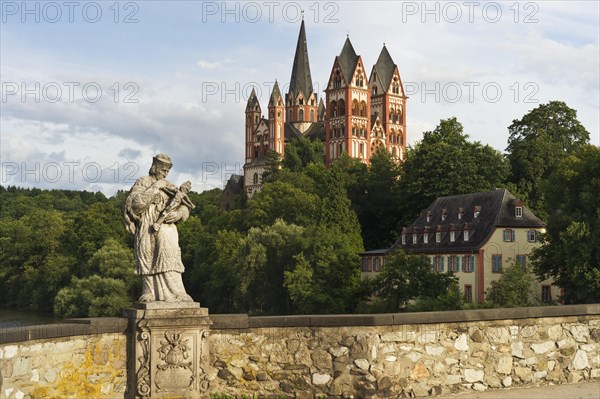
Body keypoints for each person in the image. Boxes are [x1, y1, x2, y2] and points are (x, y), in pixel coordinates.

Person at [123, 154, 194, 303]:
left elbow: (185, 206)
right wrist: (156, 187)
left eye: (167, 172)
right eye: (163, 170)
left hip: (167, 227)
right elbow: (136, 205)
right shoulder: (143, 182)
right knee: (147, 256)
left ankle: (178, 292)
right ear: (155, 167)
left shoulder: (169, 185)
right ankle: (149, 292)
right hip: (148, 225)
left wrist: (180, 214)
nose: (165, 174)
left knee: (169, 254)